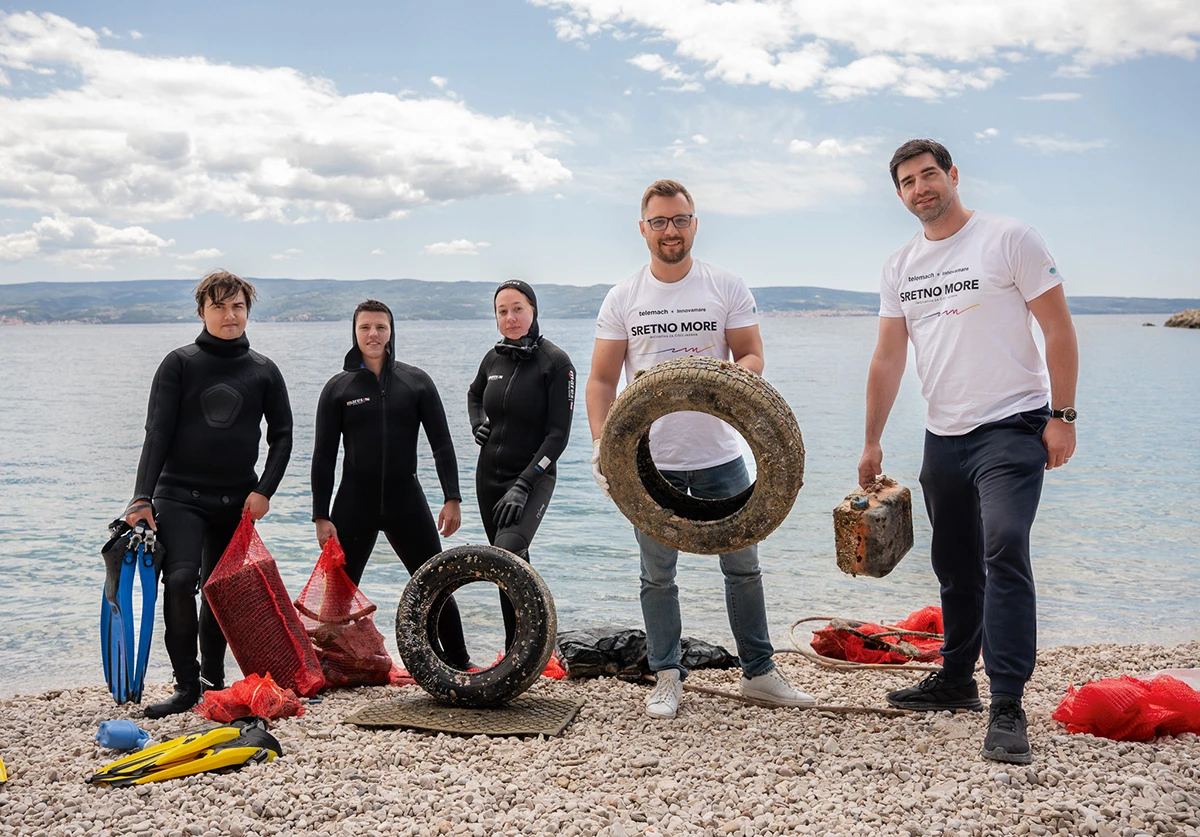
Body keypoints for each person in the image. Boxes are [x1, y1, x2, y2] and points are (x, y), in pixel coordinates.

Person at [860, 139, 1079, 764]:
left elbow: (1058, 327)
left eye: (929, 174)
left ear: (953, 176)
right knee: (953, 561)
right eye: (907, 181)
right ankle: (958, 680)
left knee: (1004, 546)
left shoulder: (1011, 239)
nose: (921, 187)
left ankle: (1008, 701)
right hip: (943, 435)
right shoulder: (900, 264)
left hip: (1012, 426)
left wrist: (1062, 417)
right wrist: (872, 439)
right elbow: (888, 355)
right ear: (899, 195)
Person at [587, 179, 816, 720]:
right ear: (643, 228)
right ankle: (667, 675)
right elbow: (600, 380)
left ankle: (759, 673)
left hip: (719, 454)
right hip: (648, 464)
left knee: (743, 568)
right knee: (657, 576)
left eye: (680, 219)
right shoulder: (624, 297)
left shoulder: (725, 286)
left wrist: (720, 383)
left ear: (695, 223)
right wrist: (602, 448)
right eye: (661, 221)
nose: (671, 230)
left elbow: (752, 356)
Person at [125, 270, 293, 718]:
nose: (229, 314)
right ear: (201, 311)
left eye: (237, 306)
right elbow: (156, 433)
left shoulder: (263, 370)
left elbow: (283, 435)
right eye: (218, 306)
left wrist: (264, 490)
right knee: (180, 581)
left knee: (219, 593)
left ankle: (211, 682)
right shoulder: (179, 363)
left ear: (247, 311)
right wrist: (142, 498)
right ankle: (185, 686)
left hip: (236, 500)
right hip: (179, 494)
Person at [311, 299, 471, 669]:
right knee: (338, 593)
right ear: (354, 332)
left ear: (391, 331)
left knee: (436, 582)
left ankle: (460, 662)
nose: (373, 334)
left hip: (406, 501)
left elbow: (442, 443)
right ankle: (330, 665)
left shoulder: (415, 382)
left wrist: (452, 498)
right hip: (353, 504)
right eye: (365, 327)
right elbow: (323, 456)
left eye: (380, 327)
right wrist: (321, 515)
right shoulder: (338, 388)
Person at [468, 279, 575, 651]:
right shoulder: (493, 359)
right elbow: (474, 395)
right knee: (508, 569)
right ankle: (521, 651)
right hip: (489, 478)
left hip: (532, 476)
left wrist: (525, 483)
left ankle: (528, 651)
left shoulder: (555, 363)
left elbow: (558, 436)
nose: (510, 318)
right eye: (502, 311)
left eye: (518, 309)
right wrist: (476, 422)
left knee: (507, 558)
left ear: (533, 311)